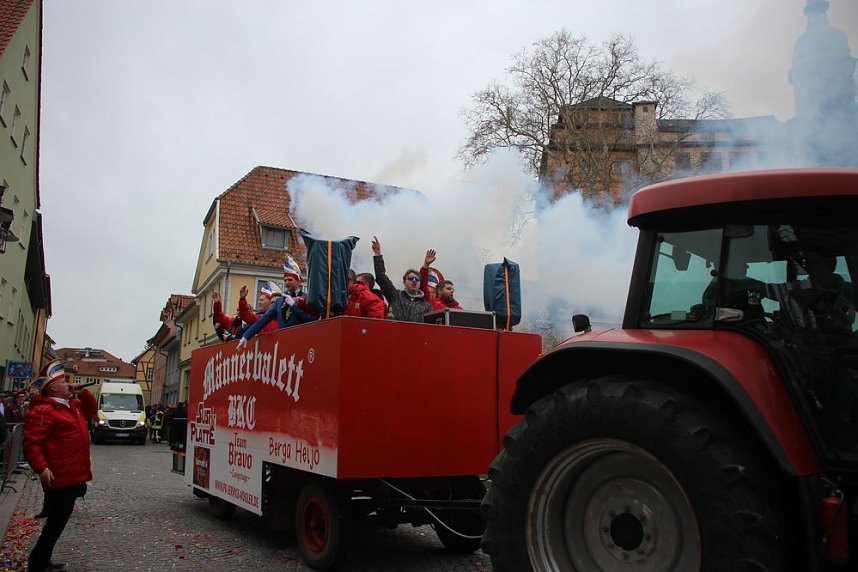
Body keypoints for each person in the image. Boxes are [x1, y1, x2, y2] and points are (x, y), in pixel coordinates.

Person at [23, 360, 97, 572]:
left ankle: (42, 560)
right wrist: (42, 468)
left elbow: (91, 410)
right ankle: (37, 563)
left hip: (72, 473)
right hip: (59, 474)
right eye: (64, 382)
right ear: (53, 387)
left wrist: (82, 393)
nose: (69, 384)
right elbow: (32, 443)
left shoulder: (71, 405)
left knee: (58, 522)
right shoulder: (45, 410)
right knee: (56, 522)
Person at [372, 236, 432, 322]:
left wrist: (426, 265)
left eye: (417, 278)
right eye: (411, 278)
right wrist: (377, 253)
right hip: (394, 334)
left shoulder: (427, 306)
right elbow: (381, 278)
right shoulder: (395, 295)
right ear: (404, 282)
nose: (414, 280)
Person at [236, 290, 317, 349]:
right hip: (278, 348)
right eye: (285, 280)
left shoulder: (304, 299)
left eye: (290, 280)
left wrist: (293, 305)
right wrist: (246, 336)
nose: (287, 282)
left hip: (298, 344)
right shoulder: (275, 307)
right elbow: (258, 320)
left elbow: (312, 319)